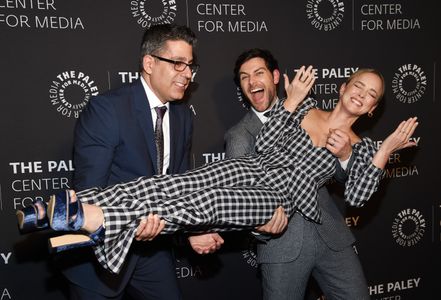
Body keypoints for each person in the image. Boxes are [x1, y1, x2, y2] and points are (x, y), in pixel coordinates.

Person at [21, 64, 418, 277]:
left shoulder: (362, 146)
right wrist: (289, 103)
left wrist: (377, 151)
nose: (361, 94)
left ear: (371, 108)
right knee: (177, 183)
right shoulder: (304, 110)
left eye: (371, 95)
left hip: (274, 198)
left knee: (207, 203)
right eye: (358, 85)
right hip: (252, 167)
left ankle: (94, 218)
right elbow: (264, 146)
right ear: (345, 86)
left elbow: (360, 196)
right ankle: (79, 208)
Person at [58, 23, 222, 300]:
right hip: (97, 257)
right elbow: (88, 194)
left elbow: (179, 188)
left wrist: (193, 230)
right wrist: (133, 222)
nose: (187, 74)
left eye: (190, 66)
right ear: (149, 63)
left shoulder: (182, 116)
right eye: (178, 63)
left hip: (151, 252)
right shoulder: (107, 110)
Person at [225, 48, 371, 299]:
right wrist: (259, 226)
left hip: (331, 236)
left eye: (258, 73)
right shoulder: (239, 135)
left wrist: (346, 155)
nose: (252, 82)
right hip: (282, 245)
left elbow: (340, 176)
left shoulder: (307, 111)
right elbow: (237, 196)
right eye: (244, 77)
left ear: (275, 76)